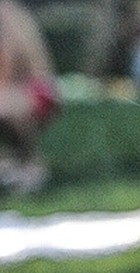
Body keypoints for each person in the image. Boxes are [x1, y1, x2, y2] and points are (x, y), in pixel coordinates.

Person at [0, 0, 57, 195]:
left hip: (36, 91)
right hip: (16, 90)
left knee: (5, 104)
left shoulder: (7, 13)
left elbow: (16, 60)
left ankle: (29, 165)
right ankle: (16, 163)